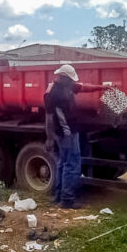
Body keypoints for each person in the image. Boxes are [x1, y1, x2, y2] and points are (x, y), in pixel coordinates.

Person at [44, 64, 109, 209]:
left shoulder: (66, 86)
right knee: (71, 165)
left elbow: (83, 87)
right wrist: (49, 138)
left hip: (70, 131)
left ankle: (58, 196)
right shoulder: (53, 93)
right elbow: (48, 118)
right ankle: (67, 200)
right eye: (71, 79)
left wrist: (102, 87)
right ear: (64, 77)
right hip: (65, 133)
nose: (74, 82)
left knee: (62, 163)